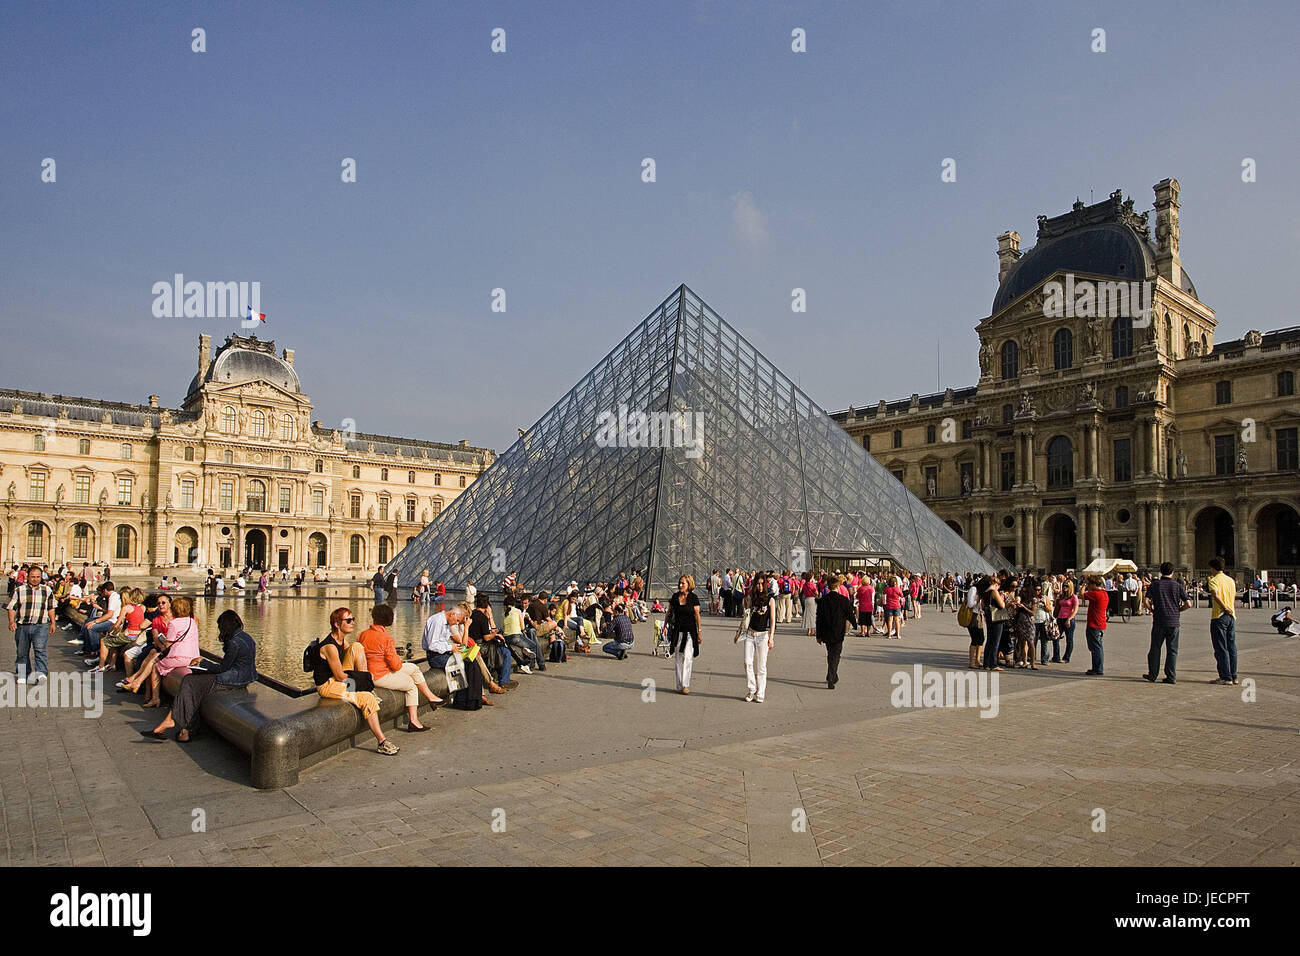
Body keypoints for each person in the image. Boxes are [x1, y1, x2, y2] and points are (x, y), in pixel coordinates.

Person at [144, 609, 257, 742]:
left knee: (189, 682)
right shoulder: (245, 637)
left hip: (233, 680)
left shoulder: (233, 643)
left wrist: (203, 662)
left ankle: (175, 722)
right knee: (192, 683)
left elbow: (223, 668)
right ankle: (184, 729)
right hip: (245, 677)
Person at [315, 608, 397, 754]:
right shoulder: (330, 647)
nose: (352, 623)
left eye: (353, 619)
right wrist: (363, 678)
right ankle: (382, 741)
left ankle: (367, 688)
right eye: (348, 620)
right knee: (365, 698)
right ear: (337, 624)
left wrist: (363, 678)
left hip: (337, 678)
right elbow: (340, 676)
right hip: (328, 685)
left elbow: (353, 657)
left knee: (357, 646)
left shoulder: (342, 640)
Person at [359, 603, 442, 731]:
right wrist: (397, 660)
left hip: (369, 673)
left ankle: (430, 696)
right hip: (380, 675)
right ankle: (414, 721)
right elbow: (396, 666)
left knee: (414, 668)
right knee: (411, 685)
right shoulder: (386, 638)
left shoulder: (362, 635)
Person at [146, 595, 202, 708]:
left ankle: (155, 698)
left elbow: (168, 645)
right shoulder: (192, 621)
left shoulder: (174, 623)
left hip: (179, 658)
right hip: (194, 657)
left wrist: (162, 641)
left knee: (155, 665)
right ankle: (137, 684)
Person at [1142, 561, 1192, 684]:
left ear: (1161, 571)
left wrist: (1152, 610)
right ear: (1173, 572)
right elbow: (1189, 604)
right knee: (1172, 650)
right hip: (1174, 622)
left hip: (1159, 620)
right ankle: (1171, 676)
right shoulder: (1177, 586)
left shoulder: (1155, 585)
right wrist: (1179, 610)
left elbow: (1146, 601)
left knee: (1155, 648)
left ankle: (1153, 674)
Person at [6, 565, 55, 684]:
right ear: (27, 577)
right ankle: (23, 674)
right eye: (33, 577)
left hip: (41, 625)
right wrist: (11, 621)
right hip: (23, 625)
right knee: (22, 651)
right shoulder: (19, 590)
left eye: (38, 577)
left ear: (41, 577)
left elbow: (51, 607)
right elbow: (12, 607)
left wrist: (53, 622)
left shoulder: (47, 590)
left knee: (40, 650)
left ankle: (41, 673)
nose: (35, 579)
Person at [734, 575, 775, 702]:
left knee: (761, 666)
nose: (760, 586)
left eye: (762, 584)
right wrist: (738, 632)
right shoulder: (751, 598)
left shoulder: (770, 600)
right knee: (747, 662)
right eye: (758, 584)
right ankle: (752, 688)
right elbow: (745, 615)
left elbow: (772, 620)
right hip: (750, 634)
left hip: (763, 635)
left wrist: (771, 637)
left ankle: (760, 692)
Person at [815, 574, 853, 690]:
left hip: (826, 631)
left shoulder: (822, 601)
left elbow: (819, 619)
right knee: (836, 654)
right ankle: (832, 676)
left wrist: (818, 635)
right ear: (838, 587)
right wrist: (855, 624)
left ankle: (831, 674)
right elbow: (850, 614)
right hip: (838, 631)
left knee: (831, 653)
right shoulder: (843, 600)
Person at [666, 575, 702, 694]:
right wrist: (664, 626)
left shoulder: (694, 598)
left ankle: (685, 685)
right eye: (680, 583)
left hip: (690, 631)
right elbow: (669, 612)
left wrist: (699, 632)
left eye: (683, 583)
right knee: (678, 658)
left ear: (689, 584)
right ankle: (679, 684)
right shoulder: (675, 597)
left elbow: (697, 616)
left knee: (687, 656)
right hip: (678, 631)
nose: (680, 585)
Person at [1206, 557, 1239, 685]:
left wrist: (1224, 607)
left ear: (1213, 568)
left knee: (1221, 648)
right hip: (1231, 616)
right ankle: (1234, 675)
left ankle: (1226, 677)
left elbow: (1215, 594)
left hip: (1219, 616)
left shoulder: (1214, 580)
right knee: (1231, 647)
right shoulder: (1230, 580)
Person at [1079, 575, 1109, 676]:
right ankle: (1098, 667)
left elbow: (1081, 595)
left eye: (1089, 584)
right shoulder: (1104, 593)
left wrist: (1083, 586)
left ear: (1093, 584)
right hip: (1101, 623)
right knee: (1098, 646)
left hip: (1094, 623)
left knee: (1095, 647)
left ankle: (1097, 669)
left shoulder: (1096, 594)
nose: (1088, 586)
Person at [962, 575, 985, 668]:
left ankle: (978, 660)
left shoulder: (980, 591)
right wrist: (978, 600)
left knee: (981, 639)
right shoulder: (973, 589)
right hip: (972, 616)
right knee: (975, 639)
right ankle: (972, 662)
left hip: (978, 615)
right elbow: (970, 604)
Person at [1054, 582, 1078, 663]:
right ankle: (1056, 656)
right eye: (1063, 586)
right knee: (1056, 638)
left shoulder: (1074, 597)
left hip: (1069, 619)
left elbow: (1075, 610)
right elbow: (1057, 606)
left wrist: (1069, 619)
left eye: (1066, 586)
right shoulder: (1062, 596)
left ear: (1070, 587)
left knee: (1069, 639)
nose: (1064, 587)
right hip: (1060, 618)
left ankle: (1066, 657)